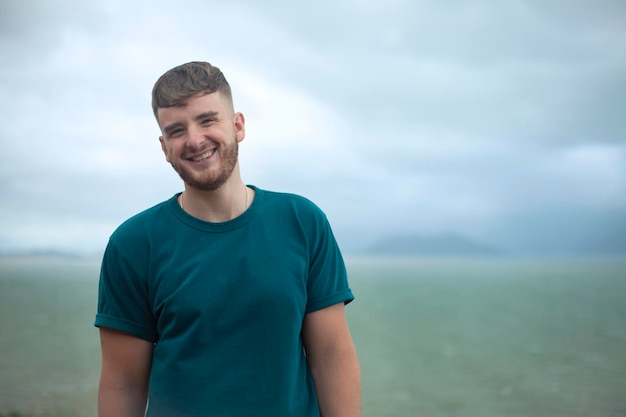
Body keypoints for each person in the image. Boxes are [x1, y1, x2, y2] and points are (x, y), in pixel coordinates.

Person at [94, 61, 361, 417]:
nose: (194, 140)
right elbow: (122, 382)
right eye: (176, 130)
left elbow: (331, 357)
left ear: (238, 126)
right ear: (164, 146)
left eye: (208, 120)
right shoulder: (132, 245)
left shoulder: (302, 221)